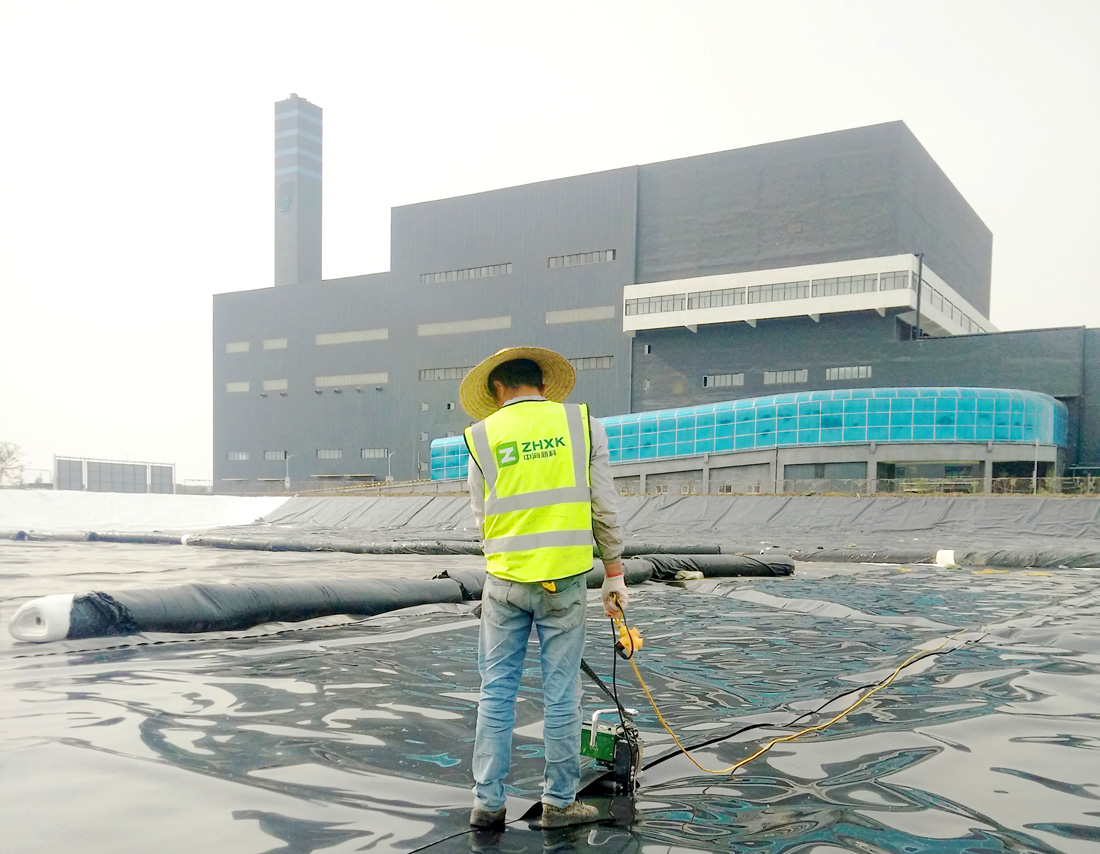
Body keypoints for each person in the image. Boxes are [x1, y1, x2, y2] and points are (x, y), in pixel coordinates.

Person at [459, 346, 628, 830]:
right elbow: (604, 506)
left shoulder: (481, 436)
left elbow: (482, 516)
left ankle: (487, 804)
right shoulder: (581, 424)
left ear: (497, 389)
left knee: (495, 692)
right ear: (545, 386)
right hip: (564, 581)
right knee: (560, 694)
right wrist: (613, 574)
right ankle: (558, 802)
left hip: (504, 581)